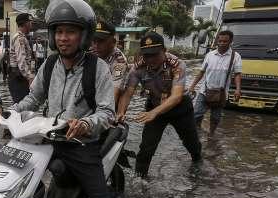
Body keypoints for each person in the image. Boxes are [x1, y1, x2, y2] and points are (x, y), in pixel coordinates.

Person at [0, 0, 139, 198]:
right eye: (59, 31)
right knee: (12, 168)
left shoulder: (98, 68)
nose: (63, 38)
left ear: (84, 35)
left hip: (80, 143)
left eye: (70, 31)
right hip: (48, 136)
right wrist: (9, 111)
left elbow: (106, 112)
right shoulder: (49, 64)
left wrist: (85, 124)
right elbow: (33, 98)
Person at [117, 32, 202, 179]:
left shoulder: (177, 65)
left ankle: (198, 165)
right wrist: (120, 112)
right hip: (154, 106)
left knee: (191, 143)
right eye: (146, 55)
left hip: (180, 108)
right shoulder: (138, 68)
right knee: (146, 148)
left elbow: (176, 96)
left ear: (164, 50)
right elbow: (128, 93)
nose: (150, 59)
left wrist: (154, 113)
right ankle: (140, 180)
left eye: (154, 54)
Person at [188, 30, 242, 134]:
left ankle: (211, 135)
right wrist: (192, 86)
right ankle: (196, 133)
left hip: (221, 93)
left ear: (231, 42)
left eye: (225, 41)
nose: (221, 43)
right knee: (197, 114)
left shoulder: (236, 57)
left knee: (215, 117)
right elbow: (201, 72)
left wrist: (238, 90)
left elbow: (237, 74)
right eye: (220, 41)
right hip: (205, 91)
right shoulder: (210, 55)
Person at [90, 20, 130, 113]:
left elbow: (114, 93)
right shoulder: (89, 52)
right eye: (94, 41)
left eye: (101, 41)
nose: (96, 45)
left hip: (109, 103)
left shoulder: (119, 62)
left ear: (113, 42)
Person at [9, 13, 36, 103]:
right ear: (26, 23)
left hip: (19, 76)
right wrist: (30, 78)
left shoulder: (22, 37)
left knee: (23, 105)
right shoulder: (19, 38)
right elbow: (22, 61)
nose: (31, 25)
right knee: (22, 107)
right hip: (19, 77)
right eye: (30, 22)